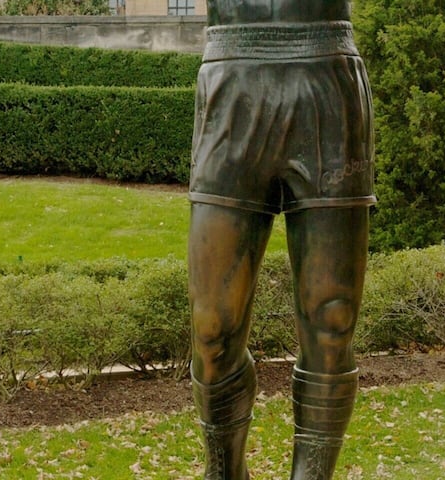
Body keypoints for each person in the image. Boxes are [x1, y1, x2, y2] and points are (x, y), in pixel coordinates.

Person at [186, 1, 372, 479]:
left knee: (333, 317)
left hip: (326, 78)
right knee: (211, 327)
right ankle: (224, 471)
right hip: (233, 79)